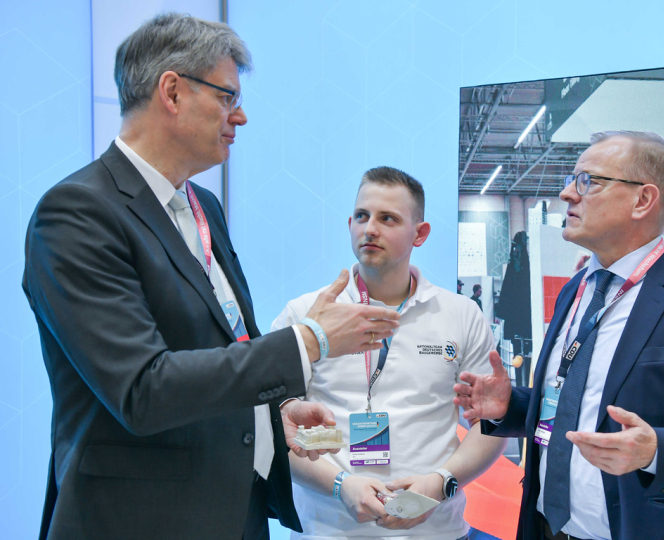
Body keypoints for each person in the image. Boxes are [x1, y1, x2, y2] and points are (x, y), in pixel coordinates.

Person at [22, 14, 400, 540]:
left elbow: (217, 345)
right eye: (226, 97)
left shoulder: (204, 208)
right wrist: (309, 341)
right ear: (172, 92)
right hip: (138, 520)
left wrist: (271, 415)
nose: (240, 116)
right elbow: (143, 389)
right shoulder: (77, 213)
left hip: (231, 512)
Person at [454, 131, 664, 540]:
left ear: (643, 200)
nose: (566, 194)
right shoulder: (575, 291)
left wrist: (656, 452)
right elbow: (577, 401)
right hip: (545, 527)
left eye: (587, 181)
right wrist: (512, 406)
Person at [272, 166, 507, 539]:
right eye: (362, 216)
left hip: (436, 531)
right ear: (350, 223)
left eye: (388, 219)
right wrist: (341, 485)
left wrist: (440, 482)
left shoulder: (460, 315)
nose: (370, 228)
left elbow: (490, 426)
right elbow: (274, 428)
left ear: (420, 233)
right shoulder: (305, 314)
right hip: (328, 530)